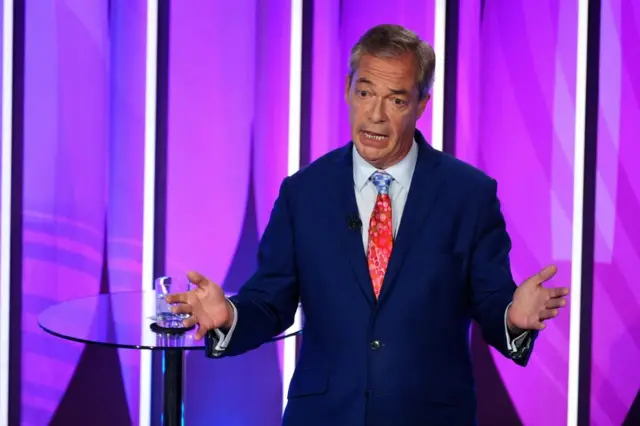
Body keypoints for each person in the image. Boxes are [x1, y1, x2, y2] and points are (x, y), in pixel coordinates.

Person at [167, 24, 569, 426]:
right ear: (347, 90)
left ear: (421, 104)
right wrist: (230, 316)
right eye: (365, 93)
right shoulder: (304, 193)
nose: (375, 115)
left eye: (395, 100)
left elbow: (491, 297)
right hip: (324, 415)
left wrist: (513, 318)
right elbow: (271, 300)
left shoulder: (469, 194)